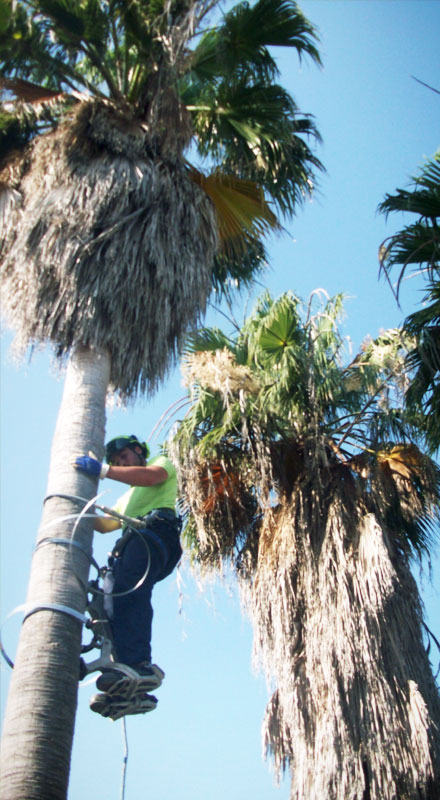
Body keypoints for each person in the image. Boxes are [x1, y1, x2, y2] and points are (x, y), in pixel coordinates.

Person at [74, 434, 182, 716]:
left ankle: (139, 664)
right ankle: (127, 681)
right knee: (110, 600)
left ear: (138, 451)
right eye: (116, 461)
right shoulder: (127, 497)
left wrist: (105, 471)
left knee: (129, 592)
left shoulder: (159, 463)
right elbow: (104, 524)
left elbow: (152, 476)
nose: (121, 463)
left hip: (155, 534)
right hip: (133, 545)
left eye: (124, 458)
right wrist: (74, 499)